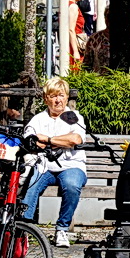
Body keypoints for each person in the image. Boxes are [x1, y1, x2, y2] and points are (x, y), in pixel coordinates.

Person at [17, 77, 90, 248]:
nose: (58, 100)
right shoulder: (38, 119)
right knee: (32, 184)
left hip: (72, 165)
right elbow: (31, 142)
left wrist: (48, 139)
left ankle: (62, 229)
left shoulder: (73, 117)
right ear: (46, 99)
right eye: (53, 96)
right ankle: (23, 229)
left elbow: (75, 139)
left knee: (72, 185)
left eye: (61, 95)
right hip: (44, 165)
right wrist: (55, 141)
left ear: (66, 98)